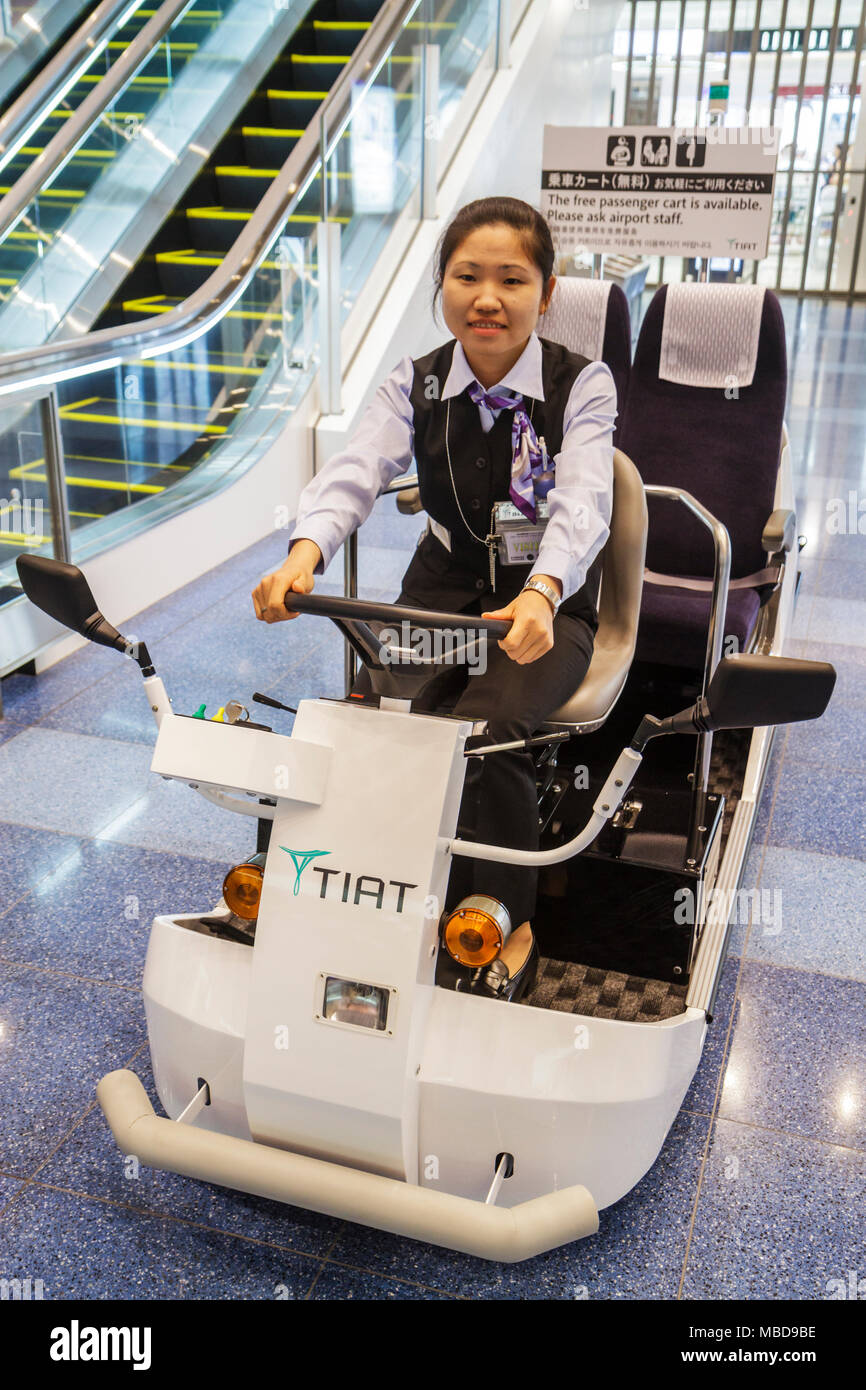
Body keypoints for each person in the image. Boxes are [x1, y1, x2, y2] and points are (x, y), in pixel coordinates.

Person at [252, 196, 616, 1001]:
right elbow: (356, 471)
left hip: (544, 605)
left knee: (491, 731)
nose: (487, 298)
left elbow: (586, 500)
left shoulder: (581, 385)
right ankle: (378, 889)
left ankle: (505, 923)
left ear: (547, 292)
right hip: (442, 592)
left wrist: (543, 593)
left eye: (511, 279)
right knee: (384, 719)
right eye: (467, 276)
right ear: (442, 286)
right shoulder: (413, 385)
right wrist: (303, 553)